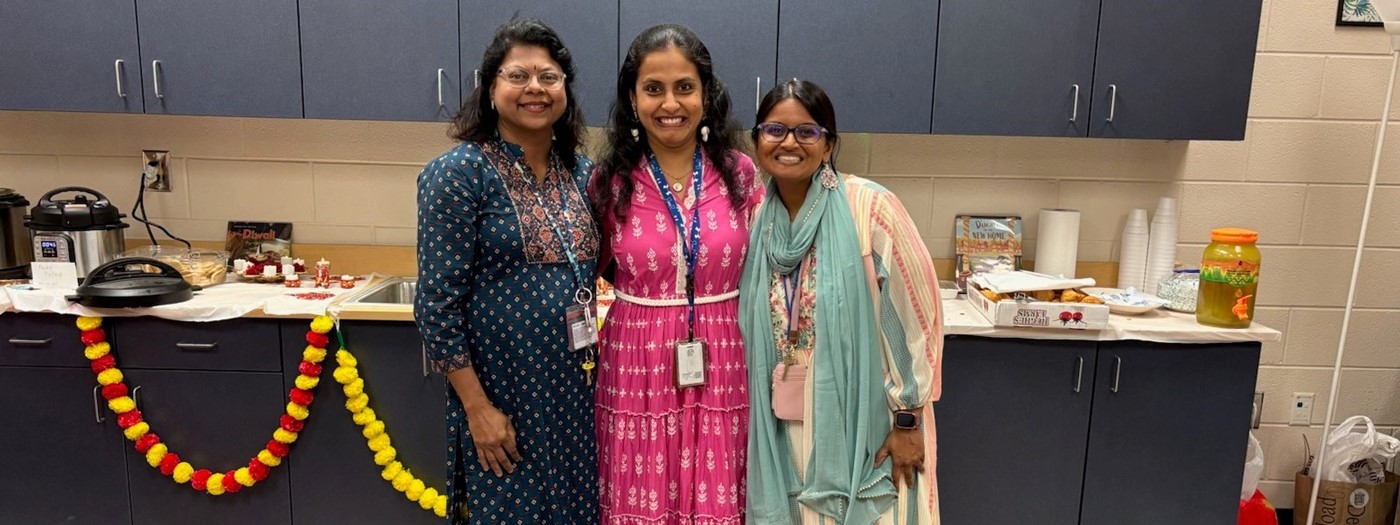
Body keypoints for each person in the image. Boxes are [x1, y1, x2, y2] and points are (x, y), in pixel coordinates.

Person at [414, 18, 599, 524]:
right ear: (491, 87)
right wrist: (477, 408)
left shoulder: (582, 174)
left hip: (577, 395)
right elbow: (435, 307)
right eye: (518, 75)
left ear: (565, 90)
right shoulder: (457, 173)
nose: (535, 88)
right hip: (502, 398)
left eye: (549, 76)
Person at [741, 79, 944, 524]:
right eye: (775, 130)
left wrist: (907, 418)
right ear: (756, 140)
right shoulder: (758, 220)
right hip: (782, 424)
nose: (789, 142)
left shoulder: (869, 208)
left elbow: (917, 318)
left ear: (829, 145)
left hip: (865, 422)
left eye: (807, 132)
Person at [589, 23, 763, 525]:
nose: (671, 103)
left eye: (685, 87)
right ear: (632, 98)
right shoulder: (611, 181)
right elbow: (586, 268)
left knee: (719, 491)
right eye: (654, 88)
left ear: (706, 97)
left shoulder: (740, 172)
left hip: (726, 353)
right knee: (638, 494)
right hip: (635, 361)